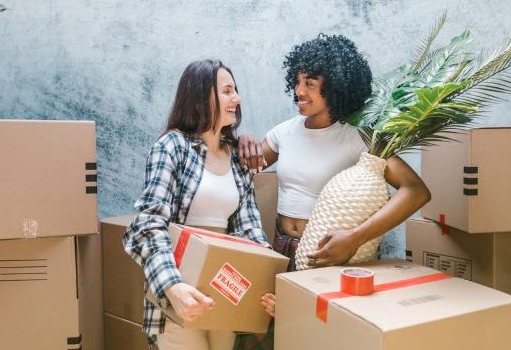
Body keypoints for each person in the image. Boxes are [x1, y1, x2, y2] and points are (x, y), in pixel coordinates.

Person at [239, 33, 431, 320]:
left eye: (310, 84)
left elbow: (415, 191)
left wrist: (354, 238)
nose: (298, 91)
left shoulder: (358, 138)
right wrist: (244, 140)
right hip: (281, 249)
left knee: (319, 334)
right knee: (277, 333)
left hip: (329, 255)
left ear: (336, 88)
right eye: (297, 81)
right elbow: (243, 166)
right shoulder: (286, 132)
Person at [123, 59, 269, 350]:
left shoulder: (238, 158)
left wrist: (265, 286)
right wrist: (172, 287)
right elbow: (147, 225)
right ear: (201, 96)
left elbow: (250, 231)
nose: (237, 98)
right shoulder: (172, 147)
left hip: (224, 288)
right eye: (227, 91)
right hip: (180, 285)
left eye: (235, 90)